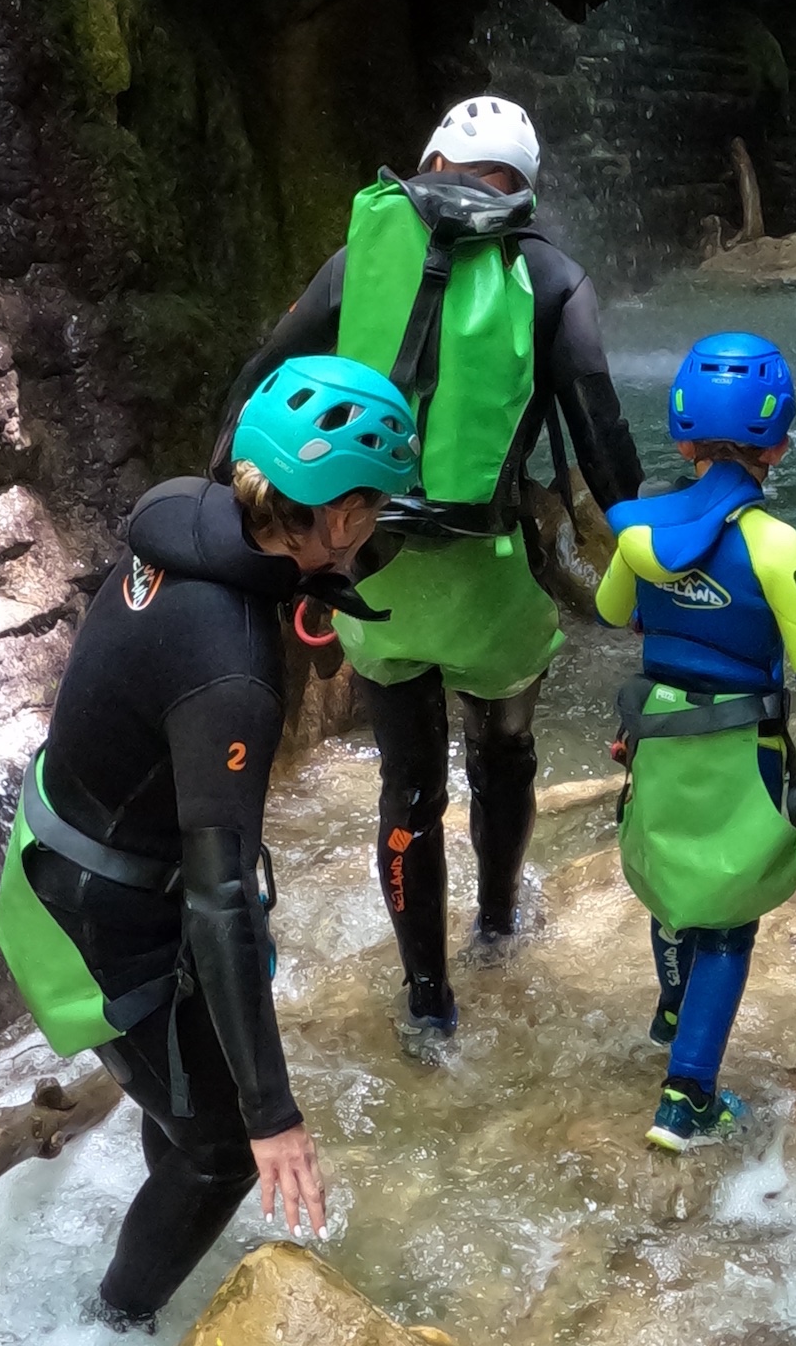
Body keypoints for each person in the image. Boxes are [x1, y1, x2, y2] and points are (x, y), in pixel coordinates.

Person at [0, 355, 420, 1329]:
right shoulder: (231, 671)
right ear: (343, 520)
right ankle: (111, 1322)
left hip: (63, 847)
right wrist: (272, 1118)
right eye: (378, 512)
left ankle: (171, 1160)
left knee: (185, 1106)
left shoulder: (184, 513)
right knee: (222, 1150)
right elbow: (222, 900)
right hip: (97, 920)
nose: (380, 529)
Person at [210, 96, 643, 1050]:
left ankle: (426, 1001)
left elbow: (261, 384)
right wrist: (655, 541)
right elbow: (602, 437)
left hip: (369, 570)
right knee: (504, 759)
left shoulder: (358, 257)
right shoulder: (553, 276)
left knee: (408, 788)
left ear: (431, 158)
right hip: (491, 579)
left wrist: (226, 521)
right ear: (524, 189)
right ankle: (496, 927)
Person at [595, 331, 796, 1152]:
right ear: (779, 443)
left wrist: (676, 606)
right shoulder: (777, 545)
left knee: (673, 879)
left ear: (683, 437)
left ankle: (672, 1007)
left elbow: (609, 611)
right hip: (743, 747)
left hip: (659, 732)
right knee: (729, 918)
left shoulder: (637, 533)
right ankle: (686, 1099)